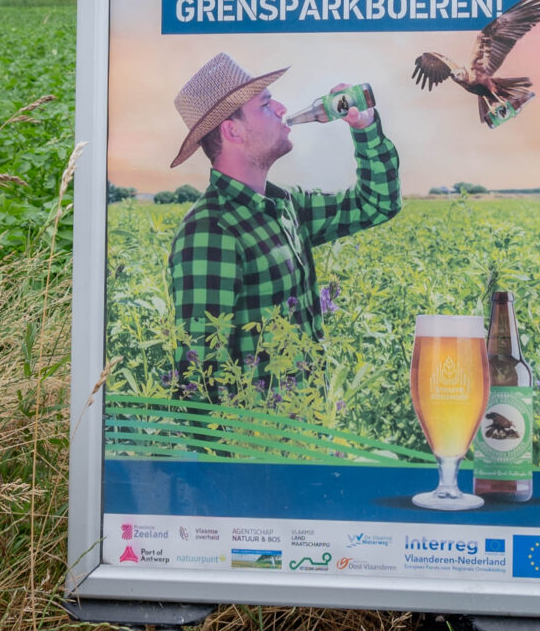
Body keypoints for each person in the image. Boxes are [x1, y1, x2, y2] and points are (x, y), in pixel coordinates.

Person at [163, 53, 399, 401]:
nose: (282, 108)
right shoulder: (210, 232)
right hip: (260, 445)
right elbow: (198, 379)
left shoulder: (288, 206)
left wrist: (365, 128)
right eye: (266, 104)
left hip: (308, 431)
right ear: (232, 130)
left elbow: (376, 203)